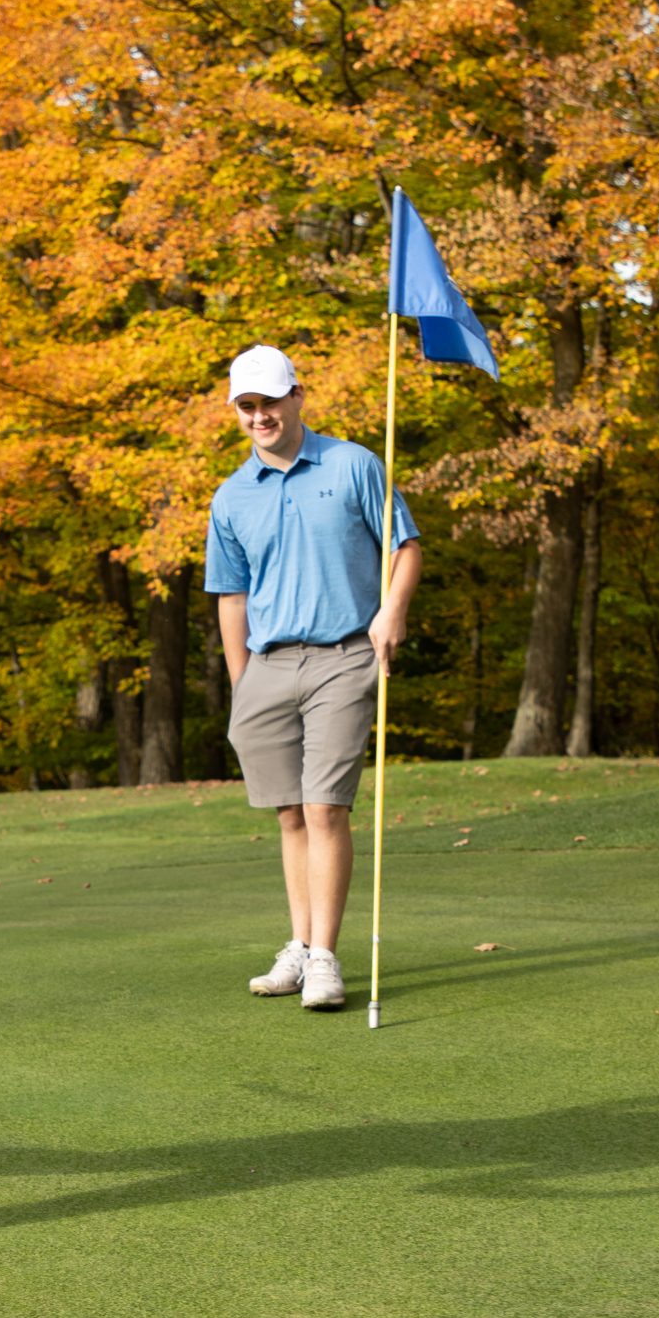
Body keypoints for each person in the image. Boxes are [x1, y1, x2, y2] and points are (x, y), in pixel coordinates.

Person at [203, 345, 422, 1012]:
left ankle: (324, 957)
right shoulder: (231, 496)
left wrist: (392, 612)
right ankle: (298, 947)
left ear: (298, 395)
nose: (260, 415)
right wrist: (242, 682)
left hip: (344, 654)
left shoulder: (352, 463)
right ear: (237, 410)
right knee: (290, 813)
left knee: (326, 806)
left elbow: (405, 547)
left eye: (271, 400)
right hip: (268, 666)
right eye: (248, 405)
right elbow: (231, 596)